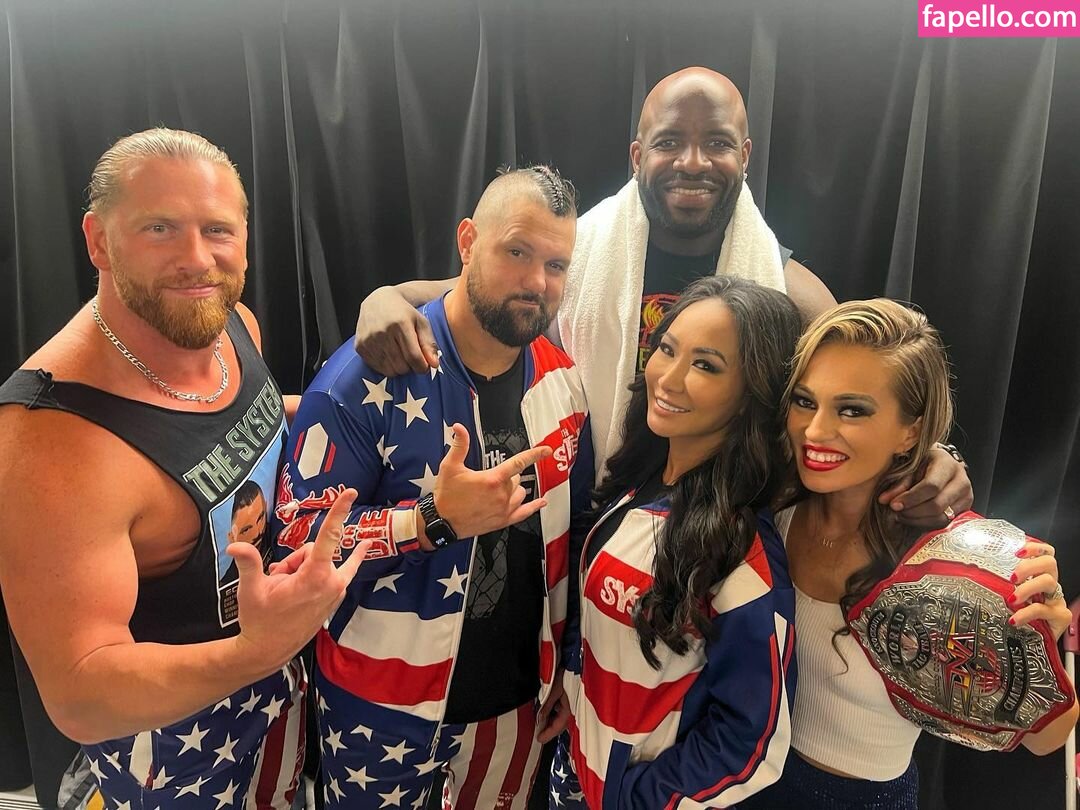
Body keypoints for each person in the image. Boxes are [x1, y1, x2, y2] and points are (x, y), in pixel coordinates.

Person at [352, 66, 972, 526]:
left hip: (721, 534)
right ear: (637, 155)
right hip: (585, 516)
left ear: (745, 155)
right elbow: (474, 294)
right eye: (670, 142)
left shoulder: (792, 294)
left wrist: (929, 459)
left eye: (718, 143)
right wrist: (385, 298)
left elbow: (863, 401)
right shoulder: (577, 254)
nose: (692, 162)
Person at [0, 128, 367, 810]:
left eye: (217, 229)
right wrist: (256, 651)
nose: (197, 259)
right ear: (99, 241)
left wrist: (368, 419)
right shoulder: (52, 438)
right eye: (160, 228)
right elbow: (80, 693)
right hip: (168, 747)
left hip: (275, 684)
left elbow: (250, 423)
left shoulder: (229, 324)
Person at [274, 167, 594, 809]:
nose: (537, 282)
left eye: (556, 264)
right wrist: (426, 521)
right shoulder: (363, 377)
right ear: (467, 241)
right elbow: (297, 540)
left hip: (517, 702)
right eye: (517, 252)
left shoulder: (564, 384)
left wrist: (571, 664)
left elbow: (576, 537)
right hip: (379, 706)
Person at [739, 299, 1078, 809]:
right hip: (738, 778)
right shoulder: (772, 508)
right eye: (805, 401)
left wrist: (1037, 643)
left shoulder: (952, 563)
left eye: (852, 410)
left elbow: (1048, 737)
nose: (815, 430)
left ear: (912, 431)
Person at [548, 275, 802, 808]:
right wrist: (572, 685)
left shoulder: (742, 553)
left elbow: (750, 742)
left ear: (751, 394)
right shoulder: (637, 483)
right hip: (574, 776)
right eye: (666, 349)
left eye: (706, 365)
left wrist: (636, 799)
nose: (669, 378)